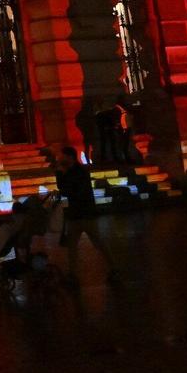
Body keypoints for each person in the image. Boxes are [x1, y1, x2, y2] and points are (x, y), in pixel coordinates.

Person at [54, 146, 119, 279]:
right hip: (83, 213)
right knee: (85, 244)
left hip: (81, 213)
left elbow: (66, 190)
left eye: (62, 156)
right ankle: (111, 268)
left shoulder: (75, 172)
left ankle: (75, 273)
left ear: (69, 157)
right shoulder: (78, 171)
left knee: (86, 244)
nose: (59, 159)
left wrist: (60, 173)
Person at [94, 98, 129, 166]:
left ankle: (107, 158)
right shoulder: (104, 113)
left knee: (108, 144)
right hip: (107, 131)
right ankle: (109, 158)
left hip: (106, 131)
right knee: (109, 144)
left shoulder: (101, 114)